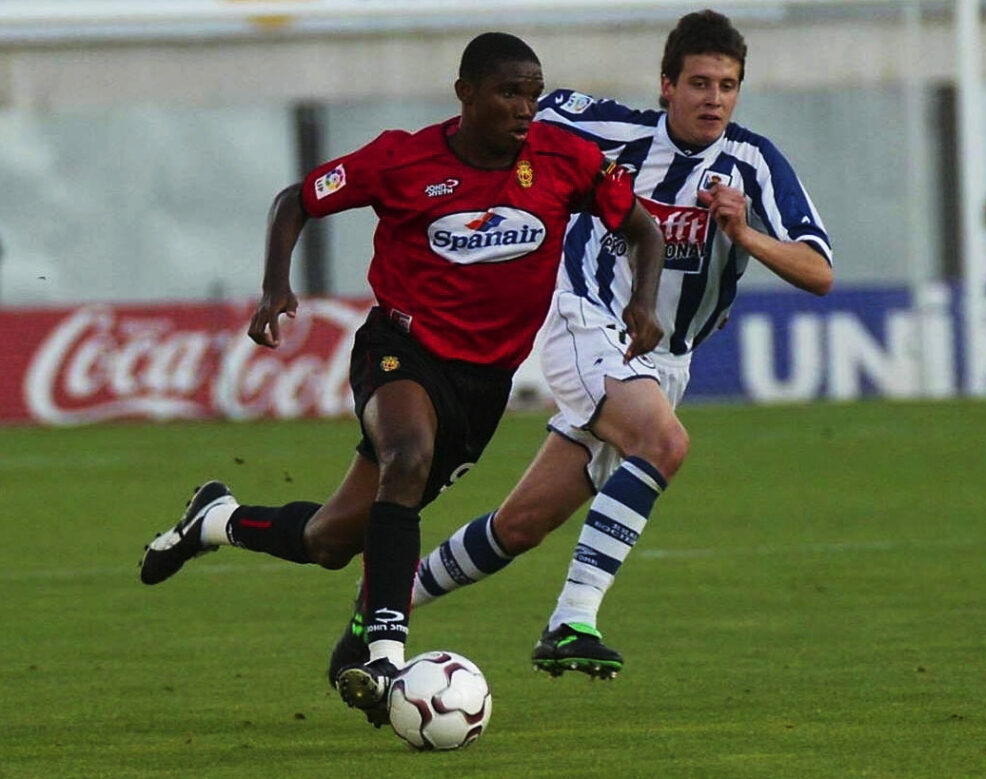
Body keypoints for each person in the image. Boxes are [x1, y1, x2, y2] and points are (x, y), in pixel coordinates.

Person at [139, 32, 665, 726]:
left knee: (331, 540)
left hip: (483, 386)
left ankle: (215, 520)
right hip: (400, 347)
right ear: (465, 93)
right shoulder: (402, 160)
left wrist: (643, 302)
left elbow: (644, 229)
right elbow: (295, 200)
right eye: (509, 92)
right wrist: (275, 288)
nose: (524, 108)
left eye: (533, 95)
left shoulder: (565, 159)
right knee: (407, 457)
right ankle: (386, 654)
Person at [331, 8, 835, 680]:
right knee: (665, 443)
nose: (713, 99)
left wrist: (746, 235)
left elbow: (819, 271)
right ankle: (572, 620)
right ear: (667, 85)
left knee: (519, 525)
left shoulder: (754, 162)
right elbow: (498, 117)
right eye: (699, 83)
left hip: (665, 361)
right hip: (585, 320)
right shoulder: (604, 127)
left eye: (727, 85)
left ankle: (382, 605)